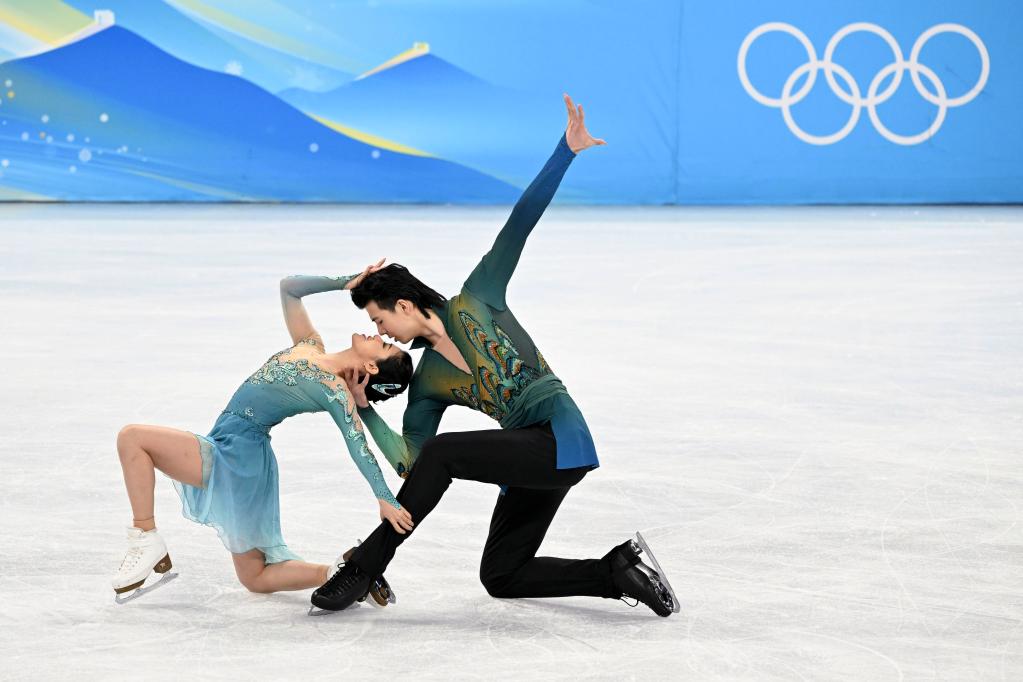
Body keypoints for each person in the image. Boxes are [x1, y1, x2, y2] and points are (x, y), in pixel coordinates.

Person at [310, 94, 679, 617]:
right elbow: (411, 465)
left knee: (446, 454)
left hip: (558, 435)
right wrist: (365, 408)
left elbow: (520, 221)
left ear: (404, 303)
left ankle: (366, 565)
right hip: (529, 457)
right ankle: (615, 571)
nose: (378, 330)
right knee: (502, 575)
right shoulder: (429, 381)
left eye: (377, 319)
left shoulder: (477, 298)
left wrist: (565, 151)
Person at [110, 269, 415, 602]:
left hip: (236, 455)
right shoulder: (311, 345)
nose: (377, 335)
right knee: (255, 577)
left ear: (372, 367)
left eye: (383, 345)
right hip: (242, 453)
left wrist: (383, 496)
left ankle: (145, 538)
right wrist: (346, 281)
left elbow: (358, 445)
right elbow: (289, 289)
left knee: (132, 438)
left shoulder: (334, 390)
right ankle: (343, 569)